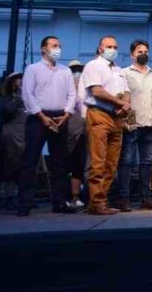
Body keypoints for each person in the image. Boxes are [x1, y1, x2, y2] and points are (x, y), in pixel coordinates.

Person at [17, 36, 78, 216]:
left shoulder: (65, 71)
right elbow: (28, 94)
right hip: (38, 117)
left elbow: (72, 94)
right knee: (30, 160)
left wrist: (66, 114)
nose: (57, 49)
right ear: (43, 49)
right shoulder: (33, 69)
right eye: (53, 46)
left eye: (59, 45)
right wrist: (42, 117)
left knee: (59, 161)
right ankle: (25, 203)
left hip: (60, 117)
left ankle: (60, 202)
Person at [80, 36, 130, 215]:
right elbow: (97, 91)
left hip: (116, 118)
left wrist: (125, 105)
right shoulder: (93, 66)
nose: (113, 49)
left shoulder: (118, 69)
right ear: (100, 48)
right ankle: (96, 202)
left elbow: (126, 91)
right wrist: (119, 102)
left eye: (115, 46)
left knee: (111, 163)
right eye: (109, 46)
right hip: (99, 114)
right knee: (98, 161)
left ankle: (102, 199)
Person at [114, 40, 152, 211]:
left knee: (147, 163)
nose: (143, 53)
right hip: (131, 125)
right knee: (127, 162)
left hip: (149, 124)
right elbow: (120, 97)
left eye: (146, 51)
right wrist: (123, 120)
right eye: (140, 51)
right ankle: (124, 198)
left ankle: (146, 198)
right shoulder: (123, 73)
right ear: (132, 54)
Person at [0, 72, 24, 210]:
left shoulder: (26, 97)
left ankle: (22, 196)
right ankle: (8, 196)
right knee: (10, 167)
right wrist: (18, 97)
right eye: (17, 81)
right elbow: (8, 110)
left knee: (23, 167)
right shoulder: (8, 98)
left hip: (24, 135)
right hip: (11, 136)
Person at [65, 59, 87, 209]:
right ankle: (69, 196)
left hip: (84, 131)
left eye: (79, 70)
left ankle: (78, 196)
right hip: (68, 132)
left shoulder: (85, 91)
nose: (77, 74)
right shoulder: (66, 91)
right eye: (74, 71)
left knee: (80, 165)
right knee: (68, 165)